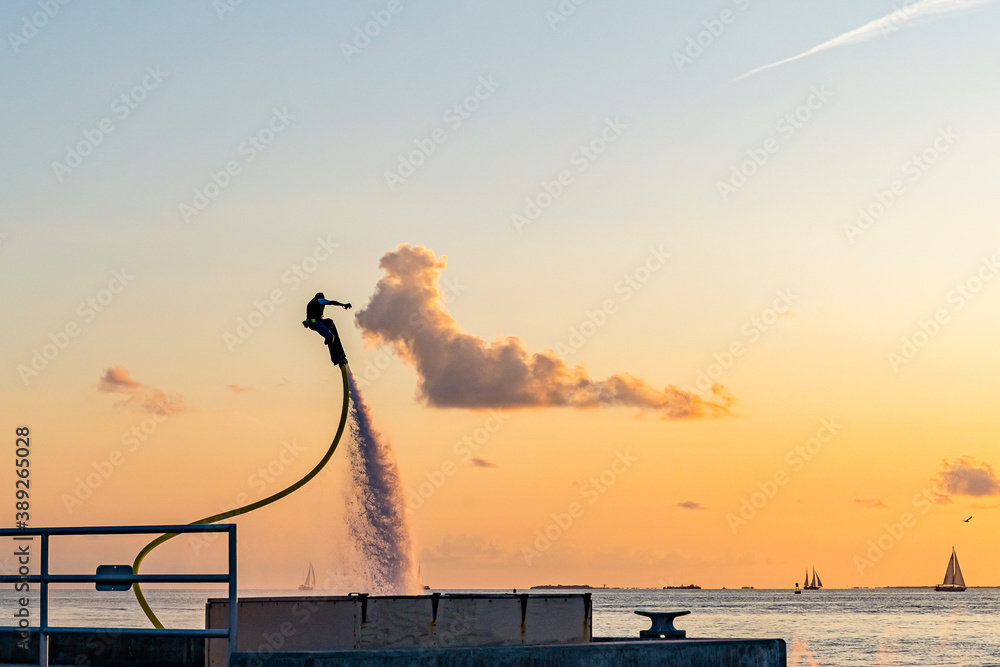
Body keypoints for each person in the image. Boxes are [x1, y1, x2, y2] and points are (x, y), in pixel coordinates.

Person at [302, 292, 351, 365]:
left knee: (330, 322)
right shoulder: (318, 300)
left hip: (319, 321)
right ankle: (335, 357)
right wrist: (343, 305)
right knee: (330, 336)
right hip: (315, 323)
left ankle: (339, 351)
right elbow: (331, 302)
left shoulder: (315, 302)